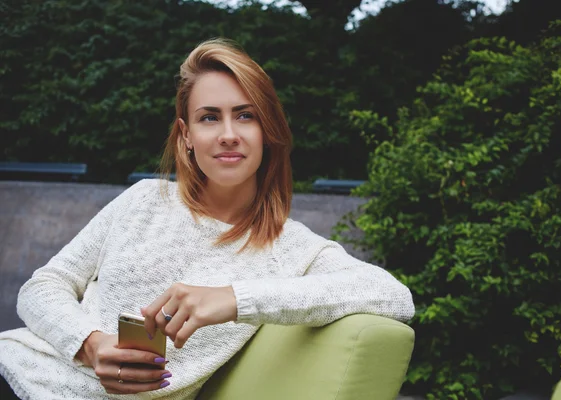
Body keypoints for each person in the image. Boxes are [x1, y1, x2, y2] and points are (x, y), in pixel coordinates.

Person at [0, 38, 414, 399]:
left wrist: (233, 299)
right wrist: (89, 343)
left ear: (267, 131)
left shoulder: (294, 248)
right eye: (209, 117)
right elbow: (43, 286)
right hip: (16, 368)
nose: (228, 133)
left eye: (246, 115)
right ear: (186, 135)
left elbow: (393, 295)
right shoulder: (144, 199)